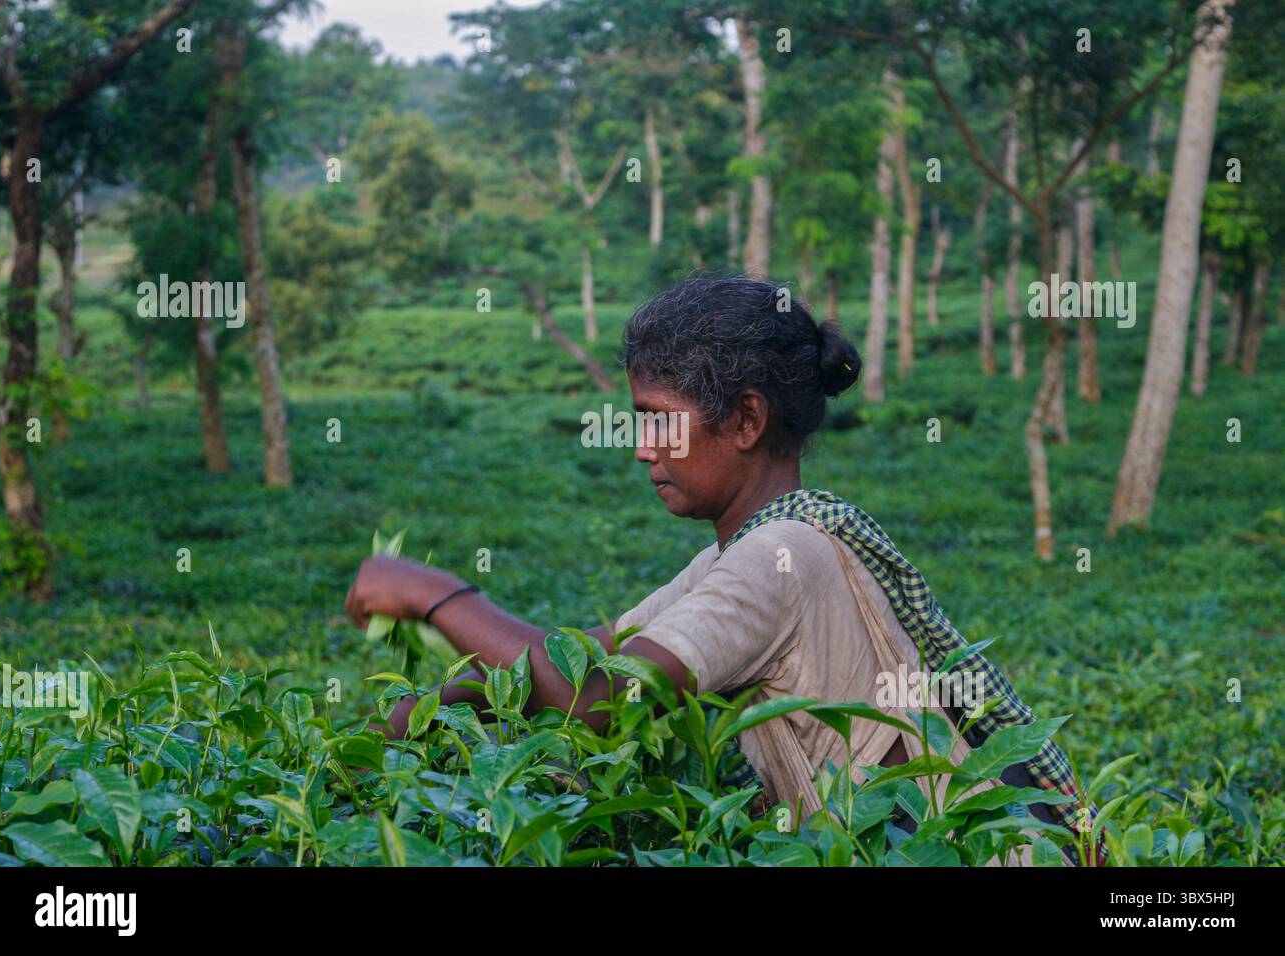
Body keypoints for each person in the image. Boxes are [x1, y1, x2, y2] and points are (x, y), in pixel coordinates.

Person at [344, 274, 1102, 866]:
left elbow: (598, 698)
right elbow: (591, 654)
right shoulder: (745, 552)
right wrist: (434, 708)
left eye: (656, 418)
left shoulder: (781, 560)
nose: (642, 447)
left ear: (745, 420)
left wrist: (436, 594)